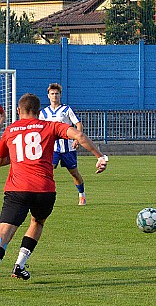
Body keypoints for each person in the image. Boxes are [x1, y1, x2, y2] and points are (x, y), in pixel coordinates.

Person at [0, 93, 108, 280]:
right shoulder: (49, 126)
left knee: (4, 233)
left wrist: (18, 158)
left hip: (17, 189)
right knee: (37, 222)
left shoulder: (10, 130)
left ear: (19, 111)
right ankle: (20, 264)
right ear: (39, 112)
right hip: (44, 190)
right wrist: (100, 156)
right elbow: (79, 135)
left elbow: (2, 159)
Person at [39, 83, 87, 206]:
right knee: (48, 171)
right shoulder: (44, 113)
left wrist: (77, 139)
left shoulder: (66, 109)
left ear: (60, 95)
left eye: (57, 93)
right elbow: (40, 129)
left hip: (68, 147)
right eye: (52, 94)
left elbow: (78, 124)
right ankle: (44, 197)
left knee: (74, 173)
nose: (54, 96)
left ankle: (82, 195)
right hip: (52, 148)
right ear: (48, 96)